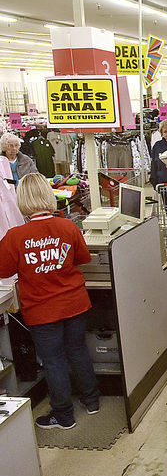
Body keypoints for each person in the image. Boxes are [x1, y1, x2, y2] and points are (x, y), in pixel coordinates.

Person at [0, 173, 100, 429]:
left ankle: (64, 416)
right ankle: (92, 402)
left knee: (53, 360)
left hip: (41, 310)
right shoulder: (68, 226)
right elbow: (82, 258)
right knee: (78, 352)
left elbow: (3, 270)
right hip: (74, 303)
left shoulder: (15, 235)